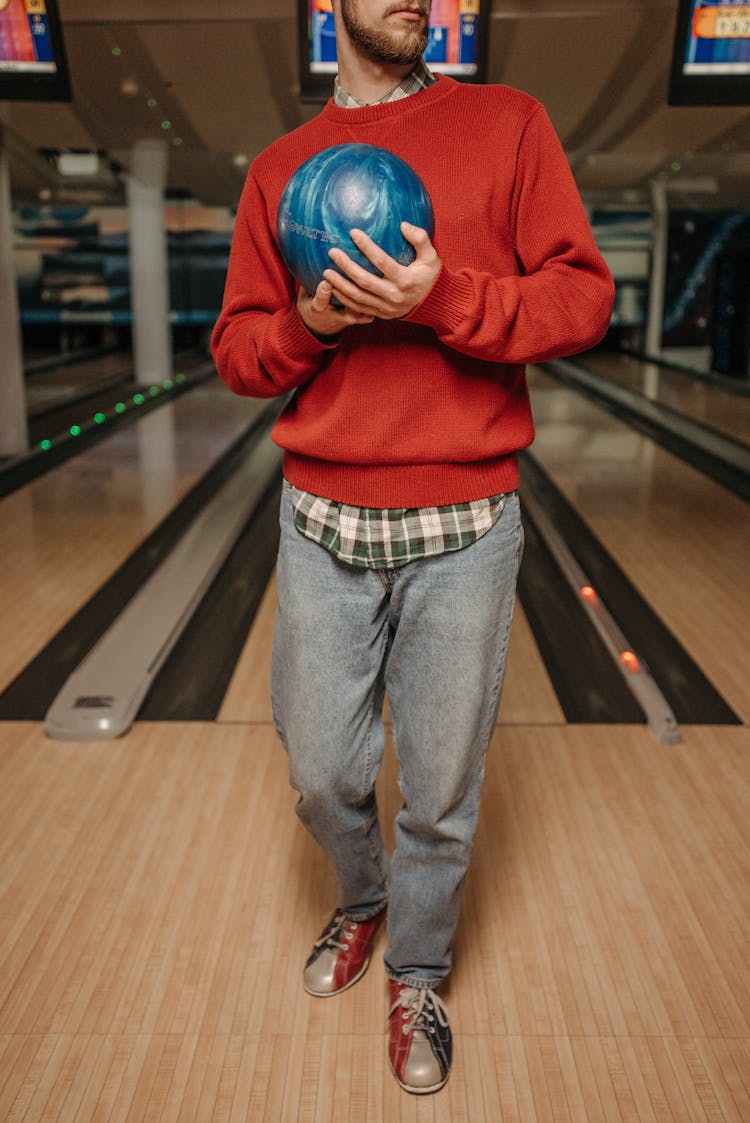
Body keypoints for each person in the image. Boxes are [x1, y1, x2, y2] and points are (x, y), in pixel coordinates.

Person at [212, 0, 614, 1096]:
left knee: (439, 787)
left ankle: (418, 967)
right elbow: (238, 351)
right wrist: (314, 325)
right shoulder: (282, 169)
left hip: (466, 523)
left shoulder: (511, 125)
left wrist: (445, 299)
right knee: (323, 770)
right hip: (322, 520)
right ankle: (361, 893)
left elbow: (583, 297)